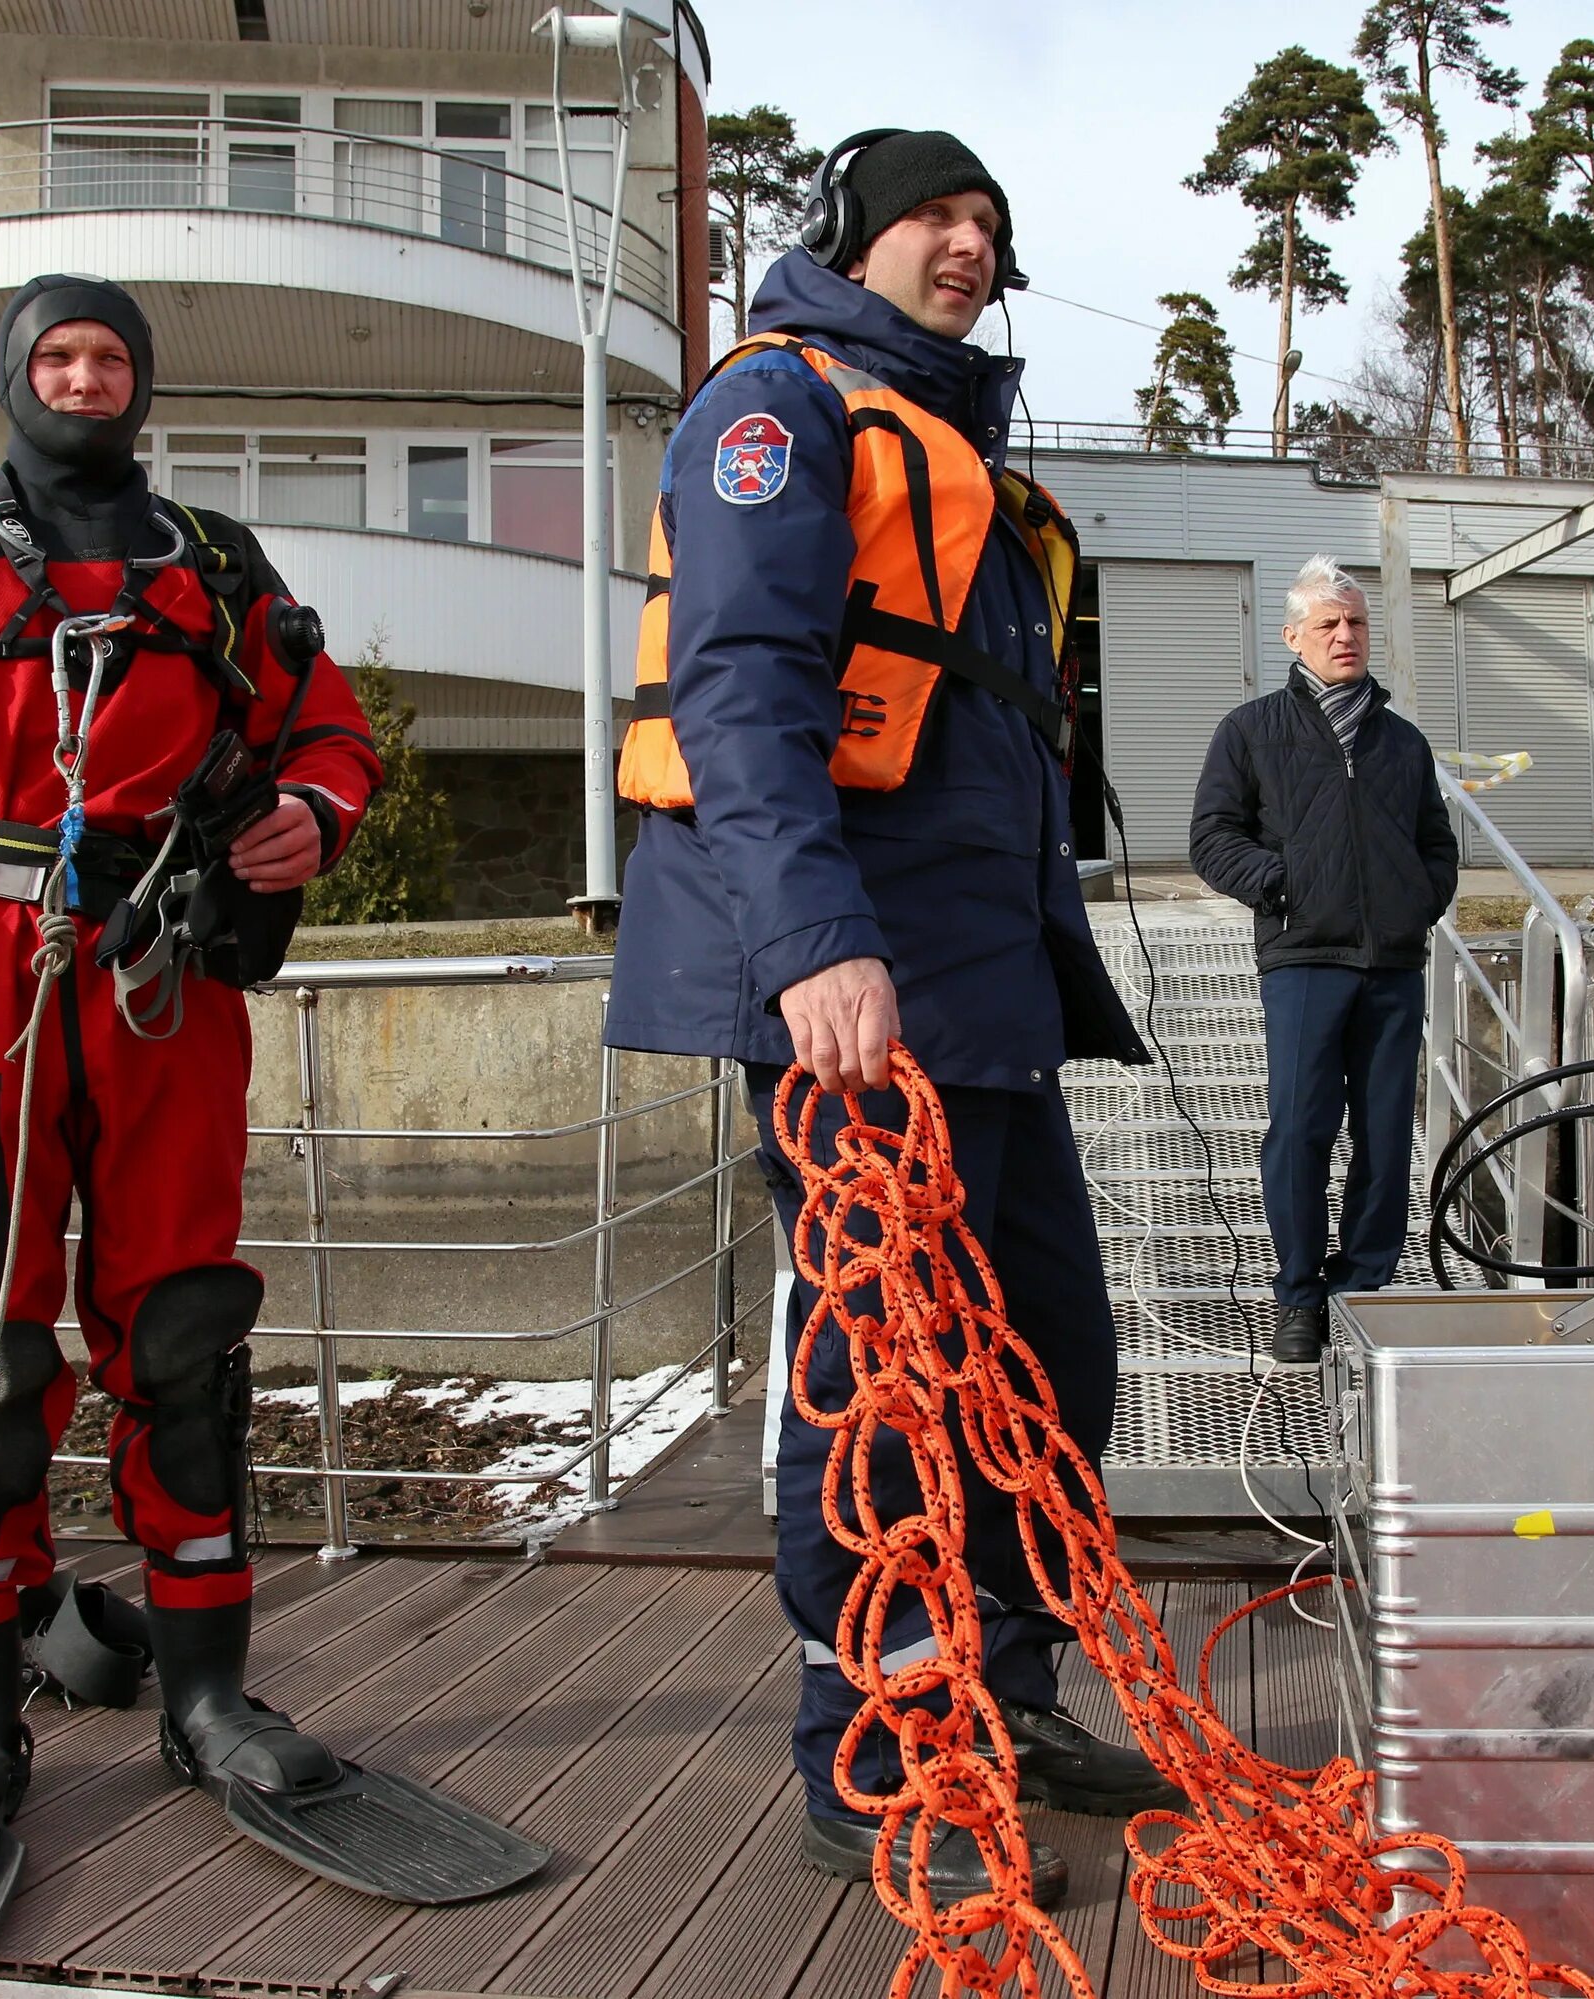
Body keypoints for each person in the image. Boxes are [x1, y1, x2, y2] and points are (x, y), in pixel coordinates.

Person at [0, 275, 537, 1976]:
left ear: (143, 384)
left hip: (164, 976)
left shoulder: (216, 563)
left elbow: (324, 727)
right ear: (17, 379)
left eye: (111, 357)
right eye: (60, 356)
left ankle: (203, 1688)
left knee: (184, 1334)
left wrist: (314, 813)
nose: (87, 378)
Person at [604, 129, 1173, 1907]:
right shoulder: (777, 414)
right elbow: (741, 693)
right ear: (853, 237)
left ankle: (998, 1696)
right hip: (861, 983)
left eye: (992, 226)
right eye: (938, 215)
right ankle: (880, 1743)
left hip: (986, 980)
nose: (970, 247)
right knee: (886, 1374)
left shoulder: (968, 461)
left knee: (1048, 1364)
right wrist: (813, 944)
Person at [1188, 556, 1459, 1364]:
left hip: (1393, 964)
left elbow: (1436, 846)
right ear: (1293, 637)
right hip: (1304, 956)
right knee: (1302, 1128)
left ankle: (1364, 1282)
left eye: (1357, 623)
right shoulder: (1251, 730)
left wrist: (1416, 899)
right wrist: (1280, 886)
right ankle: (1300, 1294)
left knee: (1384, 1134)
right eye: (1329, 624)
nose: (1346, 636)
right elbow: (1211, 838)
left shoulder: (1402, 743)